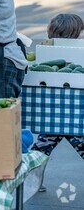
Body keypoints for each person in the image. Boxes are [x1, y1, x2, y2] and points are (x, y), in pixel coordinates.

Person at [32, 13, 84, 192]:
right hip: (77, 117)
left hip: (50, 116)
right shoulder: (79, 53)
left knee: (40, 151)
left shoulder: (46, 52)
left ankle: (33, 183)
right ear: (77, 35)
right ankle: (33, 182)